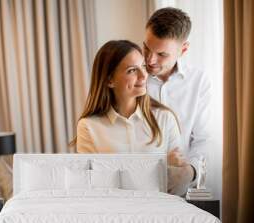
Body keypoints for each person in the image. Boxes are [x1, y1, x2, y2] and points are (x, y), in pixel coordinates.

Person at [71, 40, 189, 173]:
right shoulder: (88, 127)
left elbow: (179, 180)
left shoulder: (165, 118)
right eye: (132, 70)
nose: (143, 75)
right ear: (110, 80)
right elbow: (91, 183)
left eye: (143, 66)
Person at [144, 7, 211, 189]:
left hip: (183, 189)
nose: (150, 60)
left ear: (184, 49)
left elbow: (203, 140)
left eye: (162, 54)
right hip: (140, 187)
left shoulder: (199, 82)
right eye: (146, 48)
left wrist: (190, 172)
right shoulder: (133, 78)